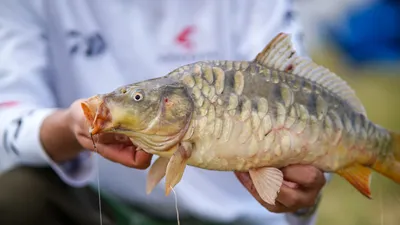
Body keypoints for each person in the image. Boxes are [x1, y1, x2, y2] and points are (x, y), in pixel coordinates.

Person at [0, 1, 328, 225]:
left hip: (241, 214)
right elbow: (8, 123)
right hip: (108, 207)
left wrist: (301, 190)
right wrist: (68, 128)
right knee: (14, 194)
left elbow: (308, 106)